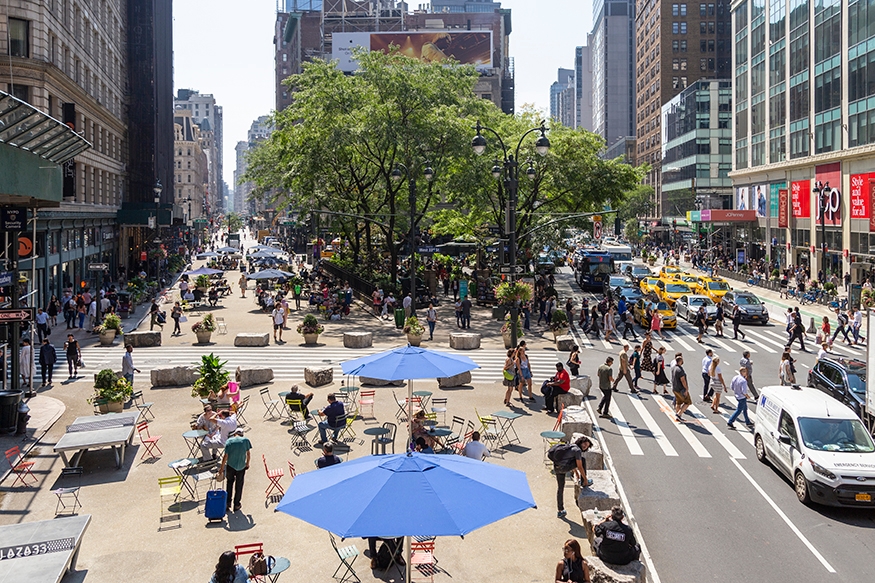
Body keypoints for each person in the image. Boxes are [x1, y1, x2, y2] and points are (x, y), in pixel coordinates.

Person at [555, 436, 593, 518]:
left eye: (587, 446)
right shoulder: (578, 451)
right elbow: (579, 466)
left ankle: (560, 510)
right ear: (581, 442)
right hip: (564, 467)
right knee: (583, 460)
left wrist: (575, 471)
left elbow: (569, 460)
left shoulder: (570, 446)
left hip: (557, 468)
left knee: (560, 488)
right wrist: (585, 479)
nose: (585, 446)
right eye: (585, 444)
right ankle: (583, 482)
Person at [218, 428, 251, 513]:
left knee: (229, 483)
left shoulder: (229, 441)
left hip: (230, 466)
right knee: (239, 485)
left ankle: (228, 503)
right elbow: (248, 454)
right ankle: (236, 504)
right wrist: (247, 464)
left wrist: (221, 468)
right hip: (241, 466)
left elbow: (225, 456)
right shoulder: (246, 441)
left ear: (234, 433)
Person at [671, 355, 692, 421]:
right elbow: (683, 380)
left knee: (678, 402)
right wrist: (686, 389)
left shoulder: (674, 368)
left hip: (675, 388)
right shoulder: (680, 370)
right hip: (681, 389)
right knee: (688, 402)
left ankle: (678, 416)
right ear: (680, 361)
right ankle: (679, 414)